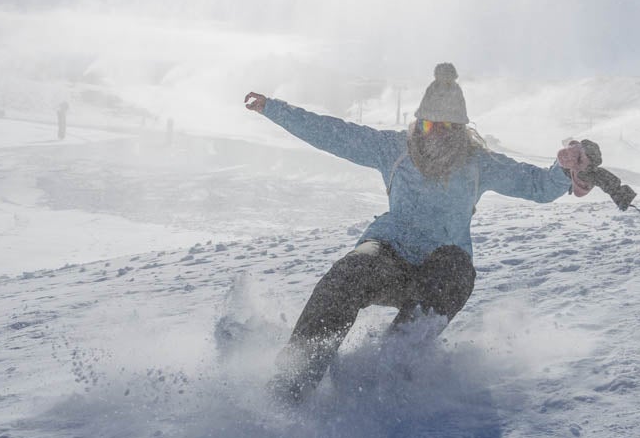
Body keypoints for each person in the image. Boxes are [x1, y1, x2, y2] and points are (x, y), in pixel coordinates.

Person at [244, 63, 590, 402]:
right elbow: (332, 133)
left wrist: (566, 168)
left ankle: (388, 373)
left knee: (457, 270)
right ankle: (294, 378)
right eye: (427, 124)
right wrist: (273, 109)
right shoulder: (393, 149)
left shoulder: (479, 162)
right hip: (388, 255)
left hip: (439, 268)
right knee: (350, 272)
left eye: (446, 126)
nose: (435, 132)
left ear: (460, 129)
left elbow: (537, 185)